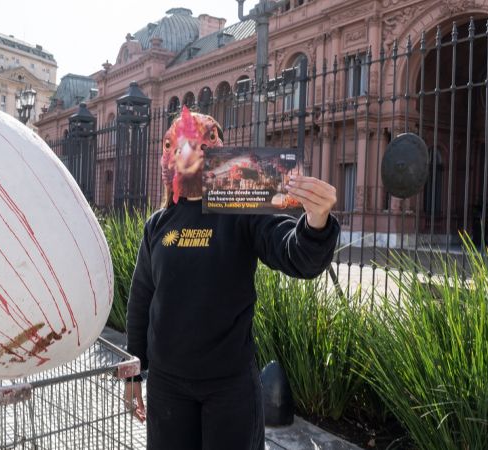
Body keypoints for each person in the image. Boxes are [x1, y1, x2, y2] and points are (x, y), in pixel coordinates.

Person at [123, 108, 339, 450]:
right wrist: (133, 370)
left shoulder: (241, 211)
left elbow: (294, 254)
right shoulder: (158, 224)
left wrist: (317, 222)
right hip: (168, 387)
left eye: (205, 144)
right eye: (180, 145)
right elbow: (142, 298)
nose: (193, 153)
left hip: (229, 387)